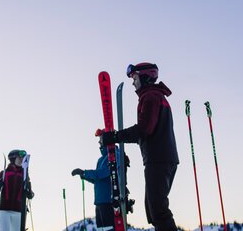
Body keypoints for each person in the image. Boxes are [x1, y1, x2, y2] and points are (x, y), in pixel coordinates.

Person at [101, 62, 179, 231]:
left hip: (158, 159)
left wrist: (116, 136)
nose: (133, 83)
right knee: (153, 209)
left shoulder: (150, 96)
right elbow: (147, 134)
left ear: (144, 77)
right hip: (162, 158)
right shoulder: (156, 96)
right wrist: (119, 139)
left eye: (135, 78)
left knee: (158, 210)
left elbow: (144, 129)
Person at [71, 141, 115, 231]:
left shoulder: (113, 155)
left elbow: (103, 173)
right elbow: (97, 179)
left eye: (101, 140)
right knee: (101, 229)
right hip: (99, 201)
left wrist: (85, 172)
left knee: (108, 229)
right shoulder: (101, 159)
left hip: (107, 201)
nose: (99, 142)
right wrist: (84, 176)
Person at [0, 149, 34, 231]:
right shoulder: (4, 173)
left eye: (23, 159)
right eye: (19, 158)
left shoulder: (25, 175)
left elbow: (30, 194)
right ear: (13, 159)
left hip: (19, 211)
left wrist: (30, 193)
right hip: (4, 210)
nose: (22, 160)